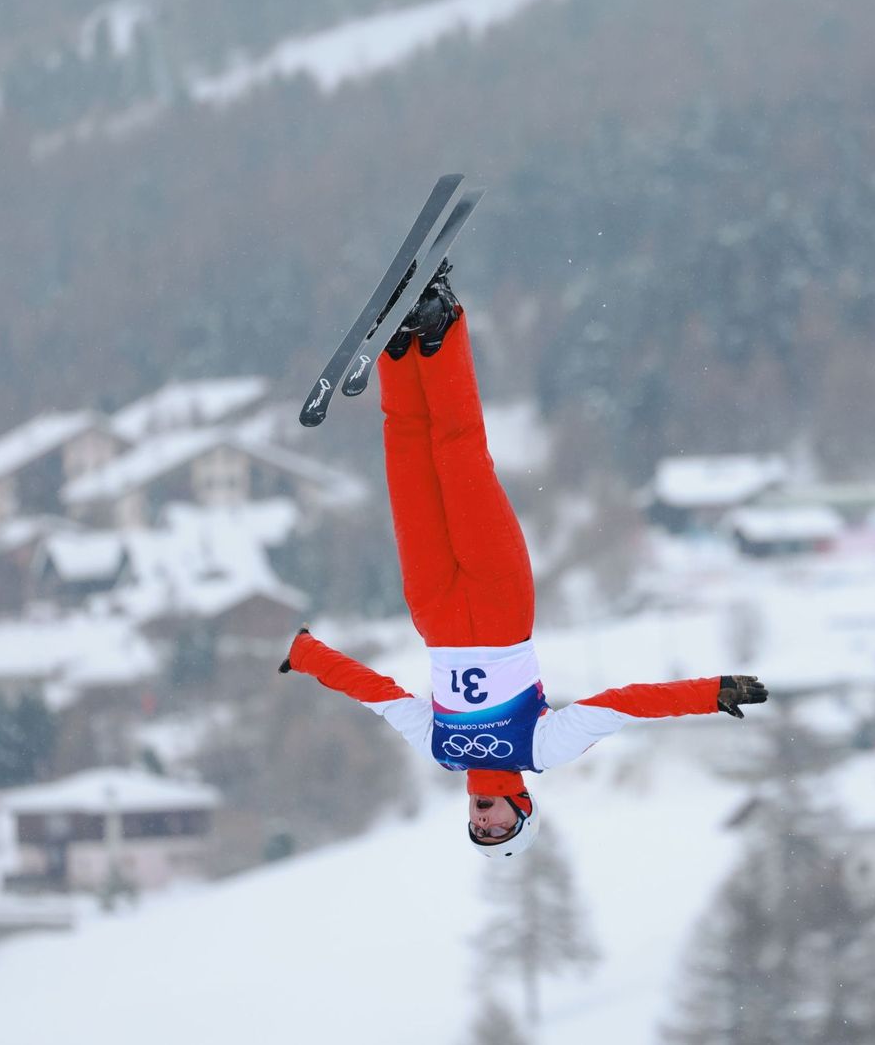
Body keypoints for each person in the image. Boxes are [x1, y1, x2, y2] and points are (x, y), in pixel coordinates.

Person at [279, 262, 768, 858]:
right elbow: (622, 703)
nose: (485, 823)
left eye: (478, 832)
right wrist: (709, 692)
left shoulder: (441, 749)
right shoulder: (542, 750)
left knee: (407, 461)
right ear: (522, 809)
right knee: (458, 459)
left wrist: (309, 656)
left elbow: (377, 693)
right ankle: (441, 326)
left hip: (433, 611)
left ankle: (401, 348)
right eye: (500, 829)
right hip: (498, 602)